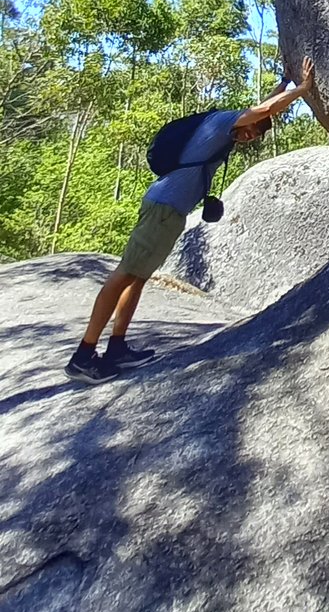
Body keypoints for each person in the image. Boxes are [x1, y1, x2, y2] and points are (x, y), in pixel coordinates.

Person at [65, 58, 315, 384]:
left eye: (254, 135)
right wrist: (303, 89)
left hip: (170, 212)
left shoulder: (229, 129)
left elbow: (263, 108)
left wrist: (283, 82)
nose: (249, 136)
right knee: (124, 274)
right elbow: (264, 109)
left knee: (137, 279)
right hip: (163, 209)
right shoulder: (221, 122)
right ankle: (83, 356)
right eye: (250, 129)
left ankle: (117, 347)